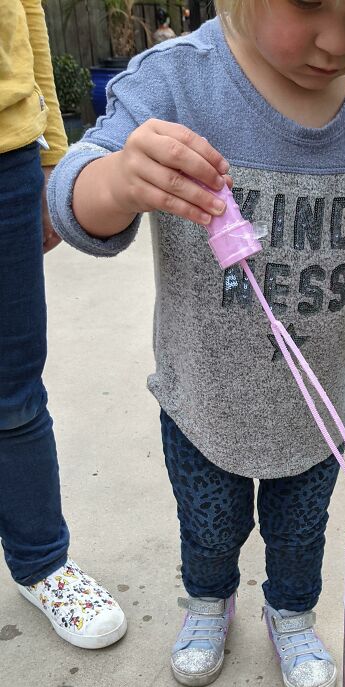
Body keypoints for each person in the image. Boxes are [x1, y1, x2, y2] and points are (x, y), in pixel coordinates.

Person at [48, 0, 345, 687]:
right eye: (308, 3)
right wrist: (120, 180)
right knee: (210, 526)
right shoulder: (179, 83)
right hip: (206, 401)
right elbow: (72, 192)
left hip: (318, 402)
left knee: (300, 530)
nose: (337, 39)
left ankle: (290, 610)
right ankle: (208, 602)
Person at [0, 0, 127, 649]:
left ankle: (40, 559)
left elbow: (23, 11)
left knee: (14, 389)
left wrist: (51, 151)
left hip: (4, 152)